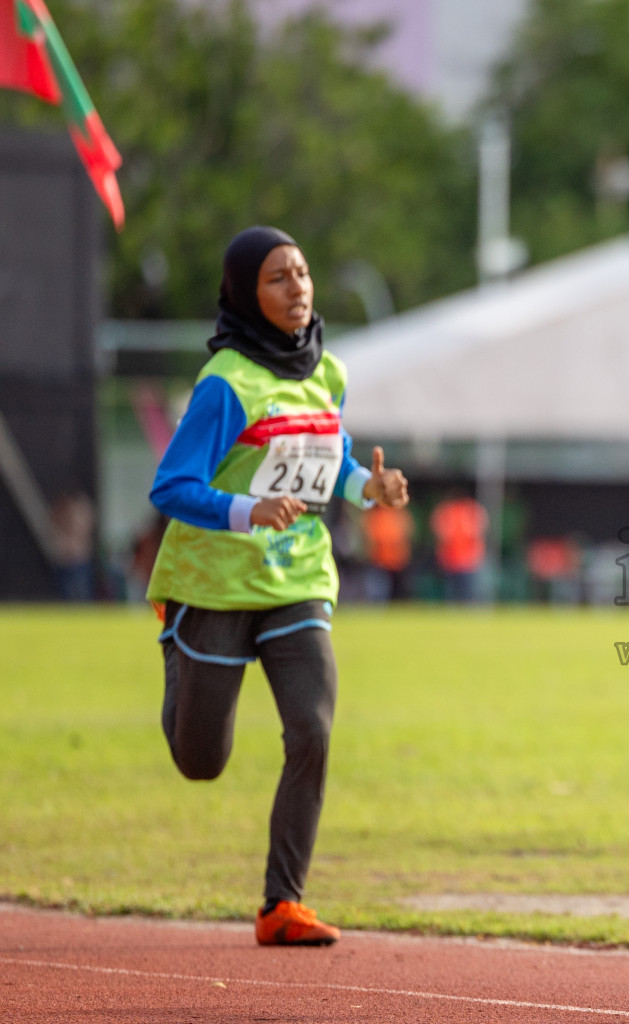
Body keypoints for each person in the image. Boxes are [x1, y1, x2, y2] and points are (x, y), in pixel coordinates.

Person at [147, 226, 409, 946]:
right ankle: (176, 642)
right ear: (242, 294)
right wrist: (246, 509)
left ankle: (281, 904)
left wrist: (370, 487)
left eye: (302, 272)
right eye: (277, 278)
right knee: (201, 762)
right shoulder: (226, 383)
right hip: (216, 583)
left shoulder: (327, 372)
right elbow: (170, 485)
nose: (297, 289)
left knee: (313, 731)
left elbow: (330, 458)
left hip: (297, 578)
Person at [430, 491, 488, 602]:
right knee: (452, 590)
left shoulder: (471, 509)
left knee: (468, 590)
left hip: (467, 559)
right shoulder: (447, 510)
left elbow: (479, 530)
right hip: (451, 557)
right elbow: (440, 531)